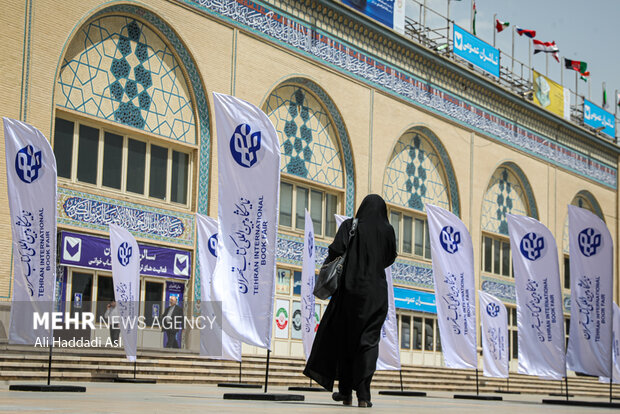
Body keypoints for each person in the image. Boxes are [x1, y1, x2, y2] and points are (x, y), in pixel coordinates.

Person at [304, 194, 397, 408]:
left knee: (346, 340)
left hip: (349, 292)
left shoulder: (350, 225)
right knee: (368, 342)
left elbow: (335, 251)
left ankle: (345, 392)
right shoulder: (388, 230)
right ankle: (364, 395)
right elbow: (389, 258)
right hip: (376, 295)